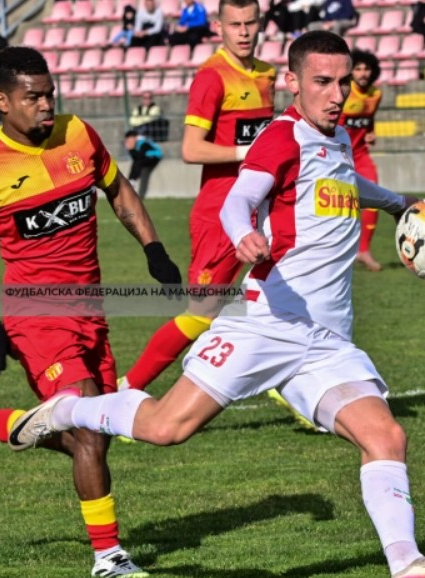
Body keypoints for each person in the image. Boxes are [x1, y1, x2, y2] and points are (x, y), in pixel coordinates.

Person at [7, 30, 425, 578]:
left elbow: (344, 182)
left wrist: (400, 203)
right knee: (166, 428)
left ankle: (406, 564)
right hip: (265, 324)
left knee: (386, 435)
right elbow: (238, 200)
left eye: (343, 82)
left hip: (326, 341)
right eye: (322, 82)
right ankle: (65, 411)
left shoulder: (336, 137)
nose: (337, 95)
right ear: (293, 82)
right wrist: (243, 235)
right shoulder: (281, 138)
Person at [0, 46, 181, 577]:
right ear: (2, 102)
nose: (47, 104)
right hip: (37, 318)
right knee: (90, 427)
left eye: (50, 94)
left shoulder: (78, 134)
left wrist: (154, 249)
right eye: (33, 97)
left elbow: (119, 191)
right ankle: (108, 558)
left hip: (90, 312)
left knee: (90, 436)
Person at [116, 0, 274, 396]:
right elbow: (191, 149)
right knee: (202, 314)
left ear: (261, 24)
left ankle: (293, 390)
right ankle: (125, 390)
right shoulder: (211, 77)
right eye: (234, 24)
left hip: (261, 209)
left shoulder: (267, 74)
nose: (243, 32)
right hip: (219, 214)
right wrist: (250, 152)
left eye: (250, 23)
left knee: (275, 305)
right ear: (218, 26)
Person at [339, 49, 383, 272]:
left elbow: (369, 121)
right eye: (358, 69)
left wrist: (370, 133)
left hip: (361, 155)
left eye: (367, 69)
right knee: (337, 206)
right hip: (339, 156)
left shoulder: (376, 94)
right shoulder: (344, 93)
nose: (363, 73)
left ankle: (364, 250)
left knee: (374, 198)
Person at [125, 129, 163, 198]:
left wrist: (131, 150)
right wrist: (130, 150)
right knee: (136, 162)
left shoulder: (143, 143)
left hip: (154, 157)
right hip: (147, 157)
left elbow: (140, 156)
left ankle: (132, 181)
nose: (128, 142)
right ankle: (131, 180)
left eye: (129, 140)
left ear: (134, 138)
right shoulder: (138, 143)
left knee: (138, 162)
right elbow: (136, 158)